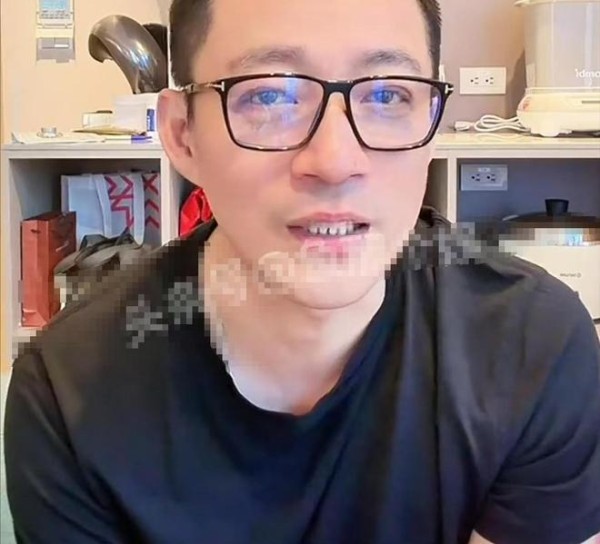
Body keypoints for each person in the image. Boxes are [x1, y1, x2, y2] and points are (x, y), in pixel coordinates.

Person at [4, 0, 600, 543]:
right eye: (270, 97)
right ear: (183, 136)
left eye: (388, 95)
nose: (336, 161)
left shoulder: (532, 347)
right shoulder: (72, 395)